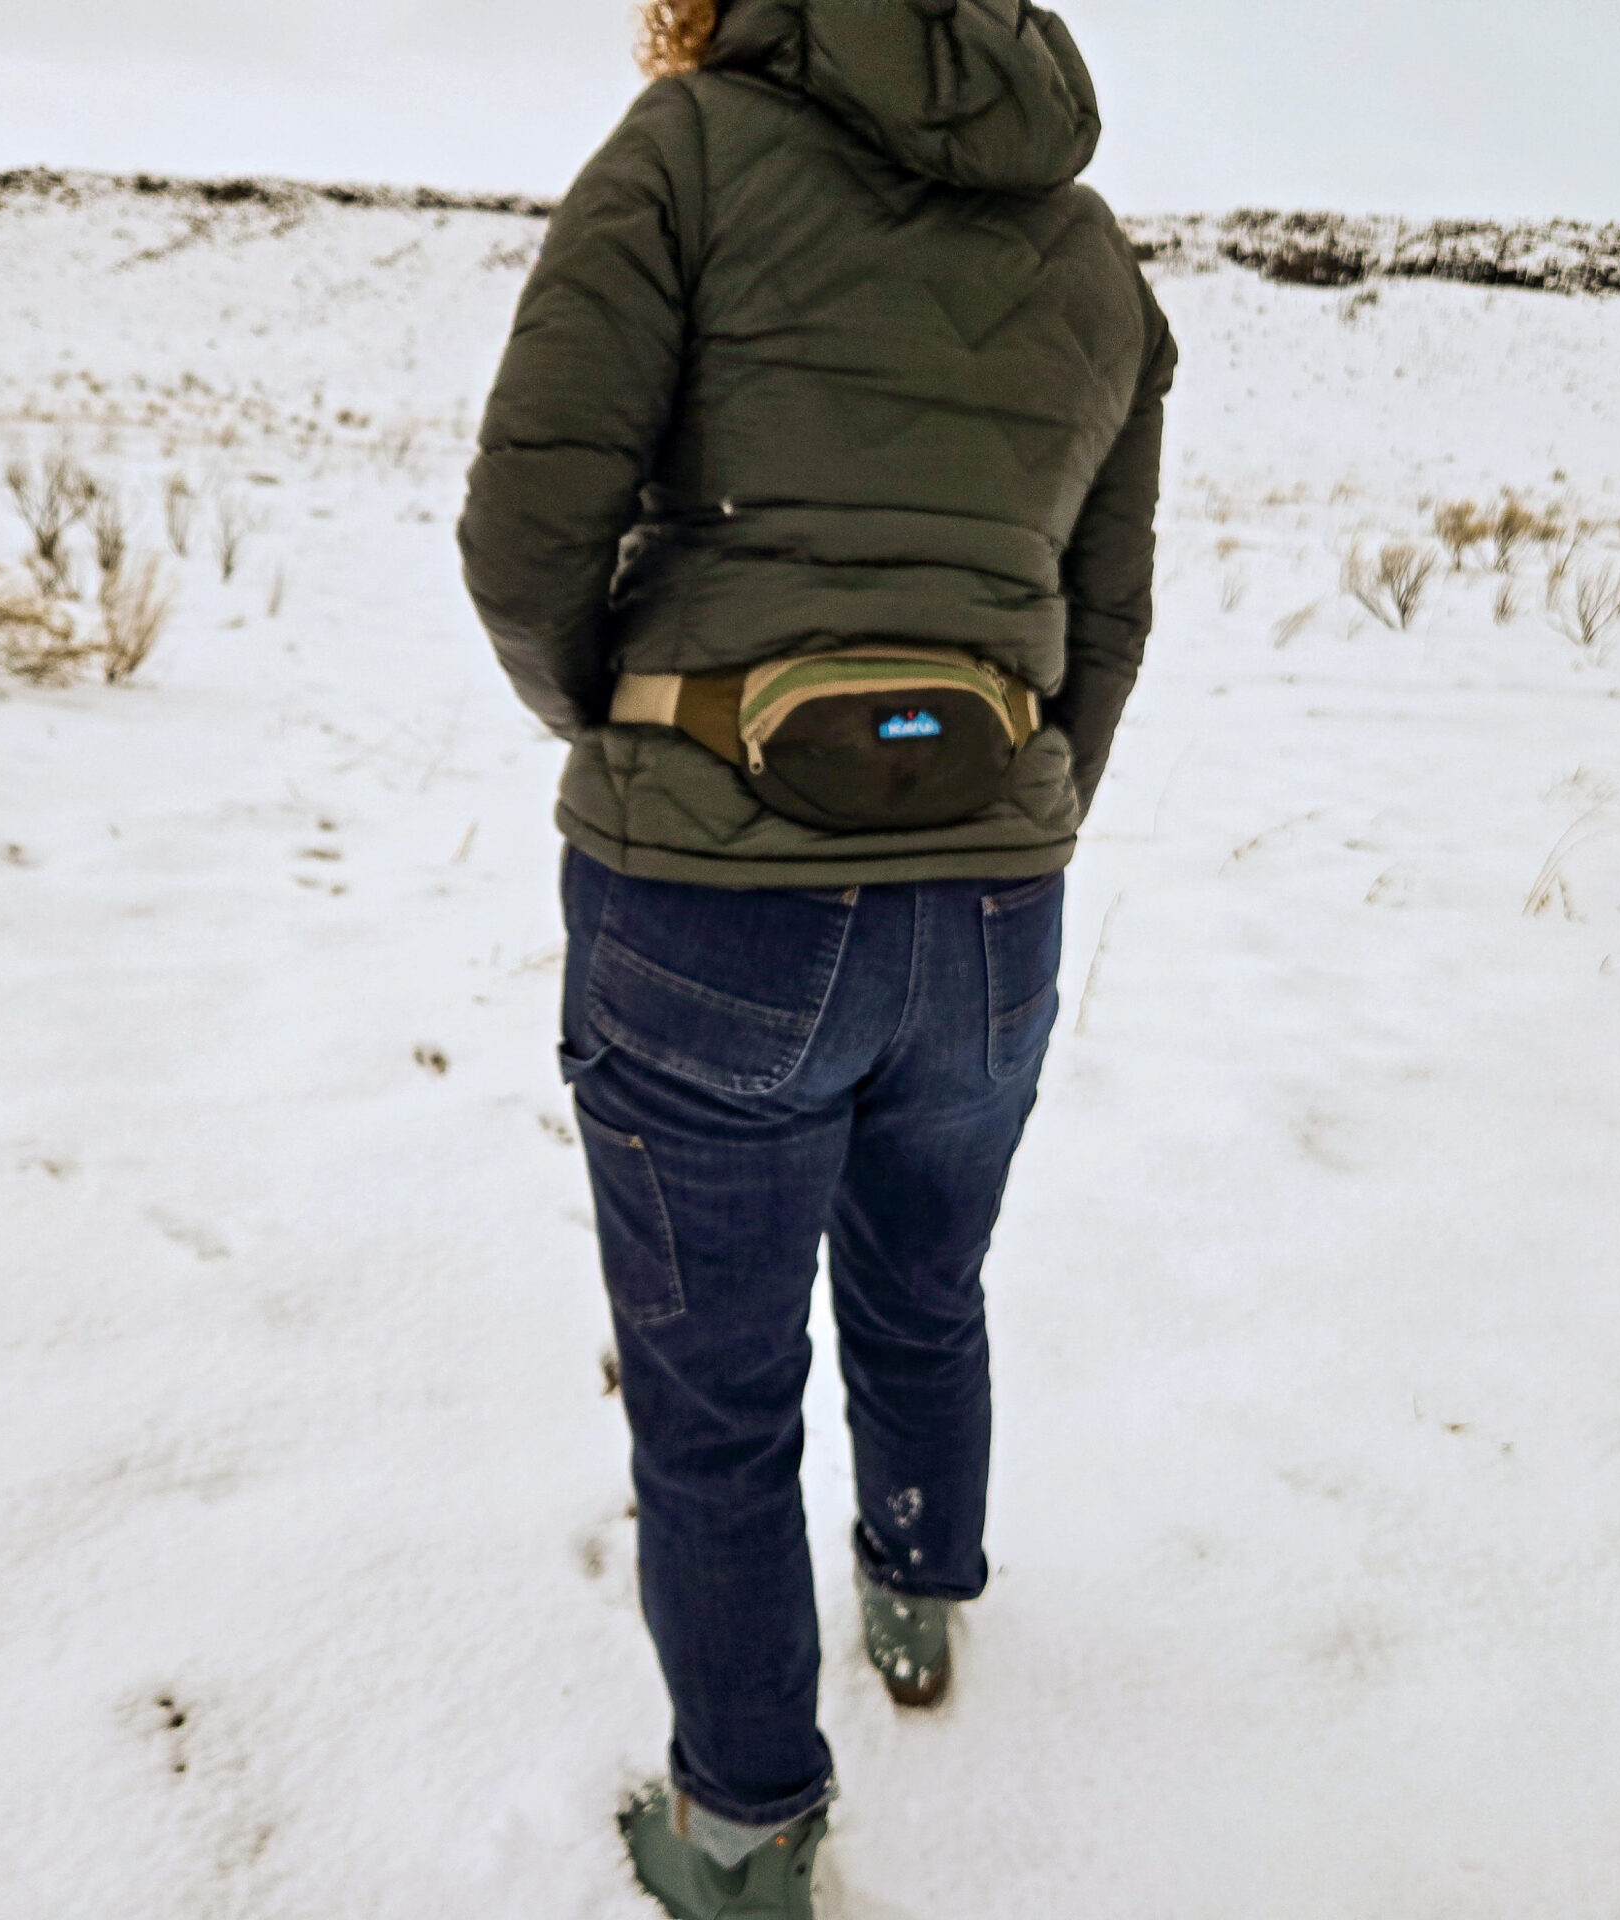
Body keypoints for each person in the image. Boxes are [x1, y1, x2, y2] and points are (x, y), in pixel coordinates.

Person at [459, 0, 1174, 1910]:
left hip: (714, 897)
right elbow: (1108, 612)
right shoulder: (1093, 245)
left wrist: (622, 728)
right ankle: (925, 1590)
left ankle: (750, 1829)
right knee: (929, 1285)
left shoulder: (686, 156)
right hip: (997, 907)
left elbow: (526, 527)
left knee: (715, 1391)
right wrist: (1028, 815)